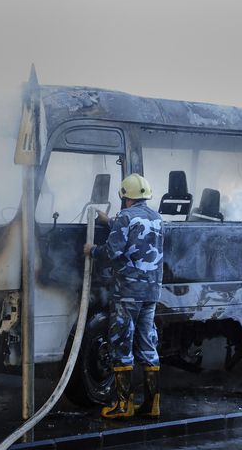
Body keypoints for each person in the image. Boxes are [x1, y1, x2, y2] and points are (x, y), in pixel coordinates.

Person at [83, 173, 164, 419]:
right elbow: (137, 234)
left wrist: (92, 250)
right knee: (148, 344)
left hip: (128, 292)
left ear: (125, 197)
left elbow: (113, 251)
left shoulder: (125, 217)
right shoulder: (157, 218)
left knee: (121, 343)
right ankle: (152, 404)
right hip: (151, 292)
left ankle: (123, 405)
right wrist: (110, 222)